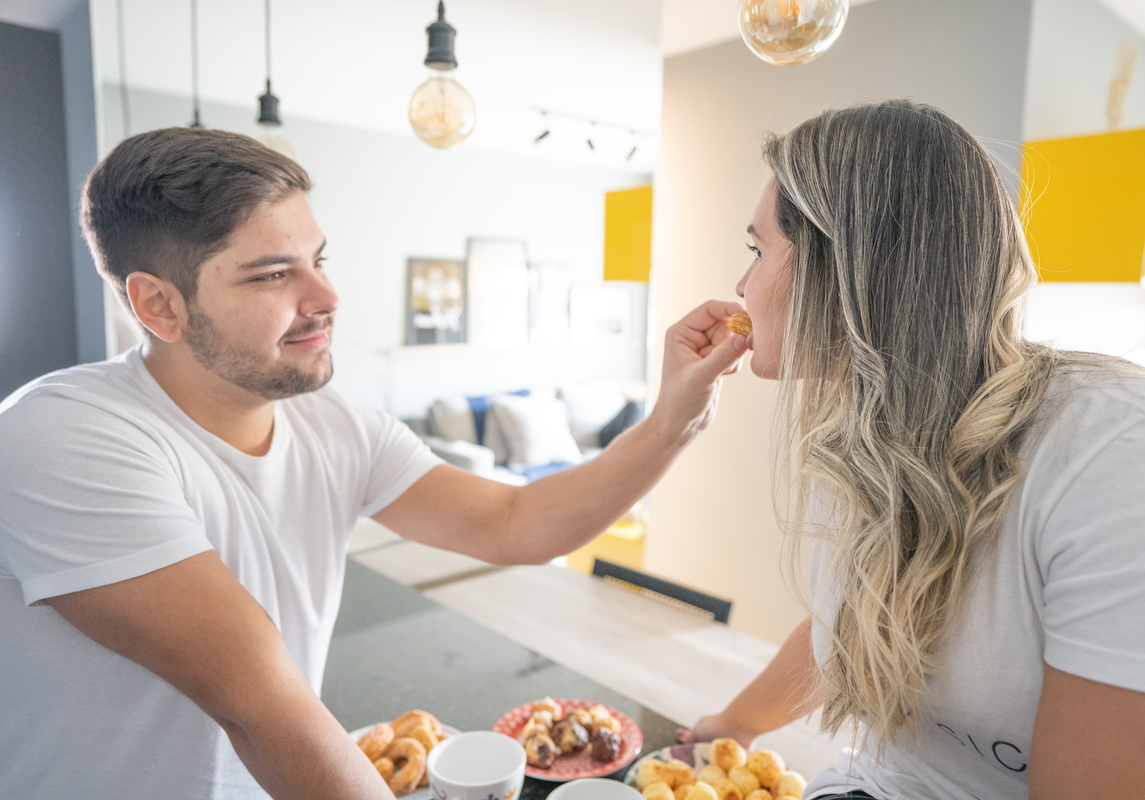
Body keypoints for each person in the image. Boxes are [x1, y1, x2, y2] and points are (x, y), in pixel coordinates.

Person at [0, 127, 749, 800]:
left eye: (318, 260)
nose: (325, 296)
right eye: (271, 275)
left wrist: (670, 421)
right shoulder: (61, 434)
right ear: (159, 306)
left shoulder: (336, 428)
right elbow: (258, 701)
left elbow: (516, 523)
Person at [679, 100, 1145, 799]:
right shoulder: (865, 439)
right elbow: (859, 613)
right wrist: (734, 723)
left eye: (757, 249)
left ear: (846, 264)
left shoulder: (1128, 454)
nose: (742, 286)